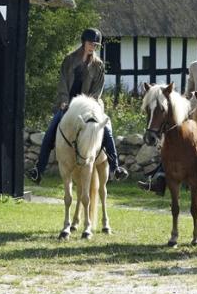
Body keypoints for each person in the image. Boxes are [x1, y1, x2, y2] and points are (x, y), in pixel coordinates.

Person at [26, 28, 129, 184]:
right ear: (83, 42)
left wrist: (87, 105)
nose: (92, 47)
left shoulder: (98, 65)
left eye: (95, 45)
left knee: (106, 129)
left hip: (89, 107)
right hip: (67, 106)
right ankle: (38, 170)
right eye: (90, 43)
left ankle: (116, 168)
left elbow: (97, 90)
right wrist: (63, 101)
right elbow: (62, 83)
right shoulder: (69, 60)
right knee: (50, 132)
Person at [139, 31, 197, 194]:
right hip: (195, 111)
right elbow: (189, 92)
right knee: (172, 134)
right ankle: (161, 176)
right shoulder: (194, 67)